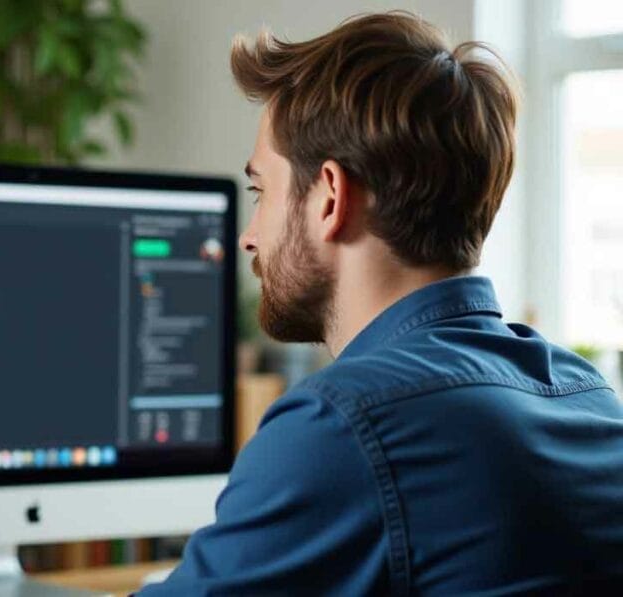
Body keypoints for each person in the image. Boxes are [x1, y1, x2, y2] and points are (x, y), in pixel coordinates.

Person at [139, 11, 623, 595]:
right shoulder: (587, 396)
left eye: (260, 192)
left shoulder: (341, 424)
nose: (249, 236)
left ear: (330, 198)